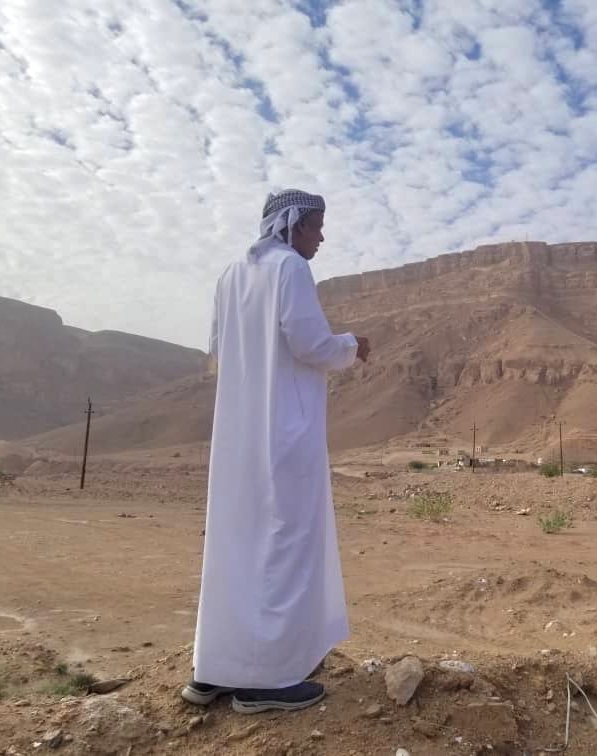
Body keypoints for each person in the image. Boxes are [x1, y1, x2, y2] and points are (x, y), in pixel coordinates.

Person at [183, 189, 370, 714]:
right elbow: (311, 344)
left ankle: (213, 669)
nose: (321, 237)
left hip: (238, 438)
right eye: (317, 226)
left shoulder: (231, 275)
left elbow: (218, 350)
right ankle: (267, 680)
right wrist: (354, 346)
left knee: (236, 545)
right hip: (284, 435)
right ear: (294, 225)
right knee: (286, 544)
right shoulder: (290, 268)